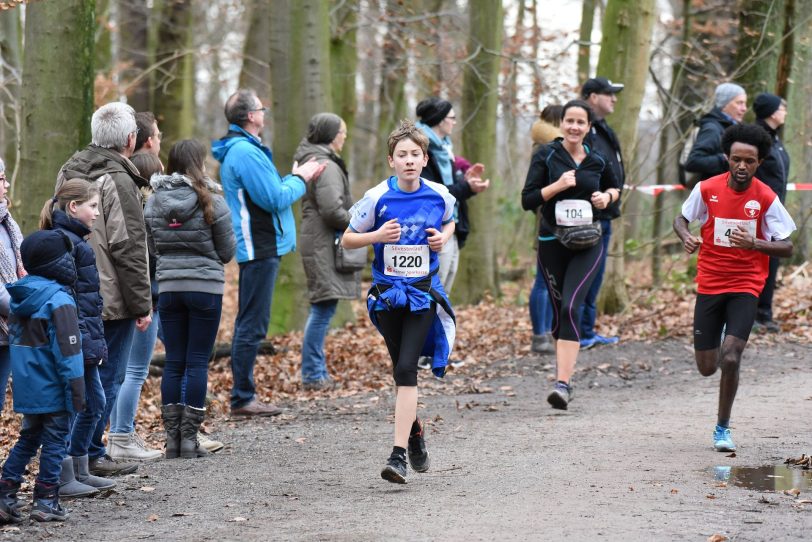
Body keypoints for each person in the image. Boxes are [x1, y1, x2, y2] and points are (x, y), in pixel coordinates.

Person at [342, 120, 456, 484]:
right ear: (391, 160)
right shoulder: (376, 198)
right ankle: (416, 434)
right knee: (400, 371)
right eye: (402, 155)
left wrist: (442, 238)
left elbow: (452, 221)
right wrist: (376, 235)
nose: (409, 161)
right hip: (387, 297)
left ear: (424, 159)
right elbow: (346, 240)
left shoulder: (440, 195)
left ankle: (398, 456)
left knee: (407, 369)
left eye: (415, 155)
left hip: (423, 294)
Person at [673, 123, 795, 452]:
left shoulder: (766, 197)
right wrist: (686, 236)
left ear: (760, 163)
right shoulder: (707, 188)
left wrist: (755, 242)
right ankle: (718, 344)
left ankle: (722, 428)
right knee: (707, 366)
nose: (742, 166)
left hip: (746, 285)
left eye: (750, 161)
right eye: (736, 159)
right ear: (727, 157)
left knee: (731, 357)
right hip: (711, 283)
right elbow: (682, 218)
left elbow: (787, 246)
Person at [211, 88, 324, 417]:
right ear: (250, 117)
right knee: (251, 324)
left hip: (262, 246)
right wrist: (301, 178)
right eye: (261, 107)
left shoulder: (248, 150)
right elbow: (274, 197)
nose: (265, 111)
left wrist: (291, 177)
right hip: (260, 247)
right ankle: (242, 397)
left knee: (252, 322)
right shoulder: (245, 153)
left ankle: (243, 394)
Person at [56, 102, 152, 477]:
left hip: (72, 288)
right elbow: (128, 246)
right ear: (131, 140)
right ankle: (89, 453)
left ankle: (73, 455)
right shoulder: (120, 179)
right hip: (110, 296)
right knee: (108, 377)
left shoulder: (68, 169)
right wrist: (142, 303)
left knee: (84, 377)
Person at [521, 100, 619, 410]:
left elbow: (616, 189)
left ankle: (562, 384)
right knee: (559, 308)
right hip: (552, 241)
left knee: (571, 307)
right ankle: (564, 374)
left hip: (588, 243)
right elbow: (528, 199)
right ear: (561, 123)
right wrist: (556, 186)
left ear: (589, 127)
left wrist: (605, 197)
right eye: (570, 121)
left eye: (581, 122)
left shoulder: (598, 159)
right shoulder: (546, 155)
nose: (575, 127)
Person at [145, 140, 236, 458]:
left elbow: (152, 250)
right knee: (197, 361)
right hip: (205, 290)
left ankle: (172, 441)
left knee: (174, 361)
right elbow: (227, 252)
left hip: (169, 289)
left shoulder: (153, 202)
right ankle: (189, 439)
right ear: (200, 163)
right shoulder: (213, 201)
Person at [0, 230, 85, 523]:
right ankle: (47, 500)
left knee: (28, 439)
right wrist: (76, 390)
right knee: (55, 441)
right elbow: (69, 353)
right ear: (58, 262)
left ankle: (5, 494)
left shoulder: (20, 296)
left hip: (28, 388)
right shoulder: (59, 301)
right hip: (55, 388)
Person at [40, 181, 116, 497]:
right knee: (81, 404)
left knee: (95, 403)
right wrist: (83, 343)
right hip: (75, 341)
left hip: (87, 337)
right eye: (93, 206)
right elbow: (70, 302)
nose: (98, 213)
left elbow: (87, 300)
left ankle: (80, 469)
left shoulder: (78, 242)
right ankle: (62, 474)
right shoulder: (66, 244)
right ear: (74, 207)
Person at [293, 113, 360, 391]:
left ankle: (316, 371)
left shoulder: (312, 160)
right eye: (342, 132)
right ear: (333, 136)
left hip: (316, 239)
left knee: (323, 306)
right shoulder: (327, 166)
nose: (344, 137)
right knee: (322, 308)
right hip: (322, 241)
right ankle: (312, 374)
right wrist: (358, 222)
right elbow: (333, 210)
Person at [106, 151, 164, 461]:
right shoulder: (145, 212)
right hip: (145, 298)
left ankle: (120, 434)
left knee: (125, 370)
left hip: (134, 297)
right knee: (134, 371)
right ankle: (121, 435)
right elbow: (147, 261)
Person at [415, 97, 489, 294]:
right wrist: (467, 187)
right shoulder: (421, 150)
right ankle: (425, 325)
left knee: (443, 291)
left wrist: (467, 179)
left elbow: (451, 186)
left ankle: (437, 325)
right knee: (433, 292)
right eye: (452, 117)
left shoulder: (444, 147)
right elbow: (436, 195)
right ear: (440, 120)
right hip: (434, 229)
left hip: (452, 225)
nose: (455, 122)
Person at [579, 77, 626, 349]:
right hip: (589, 216)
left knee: (595, 277)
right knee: (587, 276)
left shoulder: (602, 128)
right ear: (592, 96)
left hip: (606, 211)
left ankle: (586, 330)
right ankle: (580, 333)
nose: (614, 99)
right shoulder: (585, 130)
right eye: (609, 94)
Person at [752, 93, 790, 333]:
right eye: (782, 108)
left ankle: (765, 313)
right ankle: (751, 313)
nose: (785, 111)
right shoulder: (757, 137)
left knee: (773, 261)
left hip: (776, 212)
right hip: (758, 211)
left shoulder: (775, 139)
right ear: (772, 112)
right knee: (758, 262)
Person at [528, 105, 562, 354]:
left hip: (557, 220)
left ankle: (548, 332)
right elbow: (532, 191)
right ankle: (539, 335)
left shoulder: (549, 147)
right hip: (547, 222)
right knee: (543, 280)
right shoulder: (546, 149)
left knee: (551, 281)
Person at [0, 159, 25, 413]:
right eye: (1, 179)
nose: (6, 185)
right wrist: (23, 305)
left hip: (6, 330)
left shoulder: (8, 221)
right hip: (12, 313)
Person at [685, 82, 747, 182]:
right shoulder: (712, 129)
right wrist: (726, 159)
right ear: (724, 104)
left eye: (745, 103)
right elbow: (693, 162)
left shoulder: (732, 127)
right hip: (711, 193)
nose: (744, 108)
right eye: (739, 103)